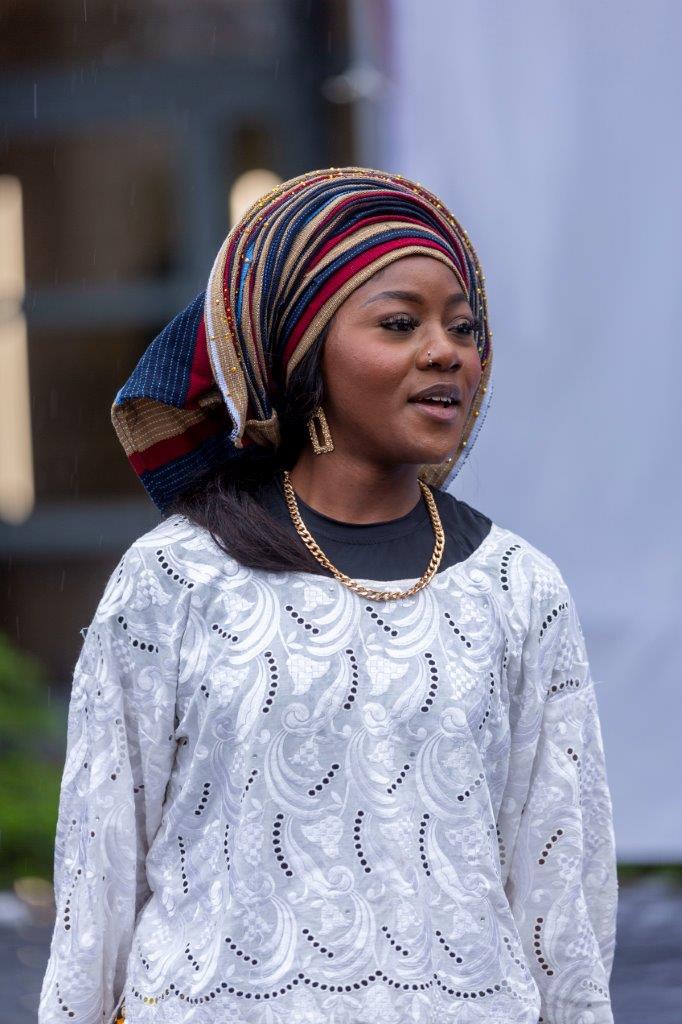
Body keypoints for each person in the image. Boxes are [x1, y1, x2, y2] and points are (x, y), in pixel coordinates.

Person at [39, 167, 618, 1024]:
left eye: (464, 327)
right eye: (400, 322)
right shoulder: (176, 579)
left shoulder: (518, 589)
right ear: (303, 349)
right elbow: (99, 876)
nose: (447, 352)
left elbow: (562, 890)